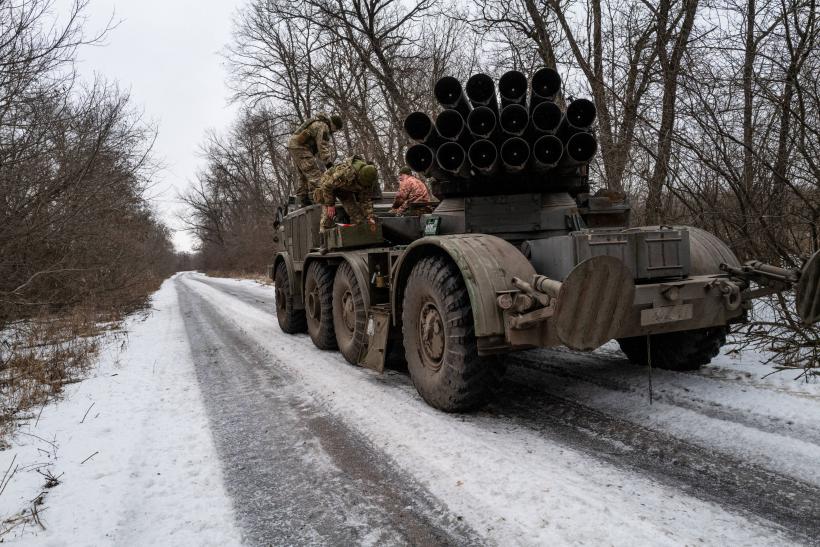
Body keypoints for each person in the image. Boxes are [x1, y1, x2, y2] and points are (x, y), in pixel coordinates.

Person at [287, 113, 344, 206]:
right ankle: (328, 198)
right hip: (300, 147)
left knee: (304, 174)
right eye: (336, 129)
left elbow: (317, 148)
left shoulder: (319, 123)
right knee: (314, 173)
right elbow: (322, 146)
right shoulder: (324, 126)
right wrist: (328, 163)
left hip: (294, 145)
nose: (335, 131)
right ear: (334, 125)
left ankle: (303, 199)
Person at [313, 156, 379, 232]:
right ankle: (324, 237)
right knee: (329, 217)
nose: (363, 186)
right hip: (328, 187)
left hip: (344, 189)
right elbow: (327, 186)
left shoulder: (369, 180)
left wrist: (370, 217)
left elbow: (365, 200)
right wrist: (330, 204)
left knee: (357, 216)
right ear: (359, 175)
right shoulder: (345, 173)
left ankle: (359, 236)